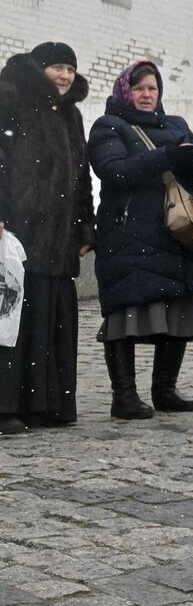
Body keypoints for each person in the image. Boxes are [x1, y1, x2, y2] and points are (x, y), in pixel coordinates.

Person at [87, 61, 193, 420]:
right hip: (128, 234)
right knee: (125, 312)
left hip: (174, 233)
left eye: (153, 89)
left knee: (178, 307)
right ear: (125, 91)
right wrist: (166, 155)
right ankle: (124, 397)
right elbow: (115, 171)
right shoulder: (108, 126)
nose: (147, 96)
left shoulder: (176, 125)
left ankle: (164, 390)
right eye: (140, 88)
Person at [0, 43, 95, 433]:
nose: (65, 75)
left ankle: (46, 403)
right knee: (13, 320)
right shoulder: (12, 100)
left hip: (58, 238)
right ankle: (7, 404)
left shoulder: (70, 114)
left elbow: (81, 176)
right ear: (39, 69)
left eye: (70, 69)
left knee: (48, 318)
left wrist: (86, 226)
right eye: (57, 67)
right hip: (20, 230)